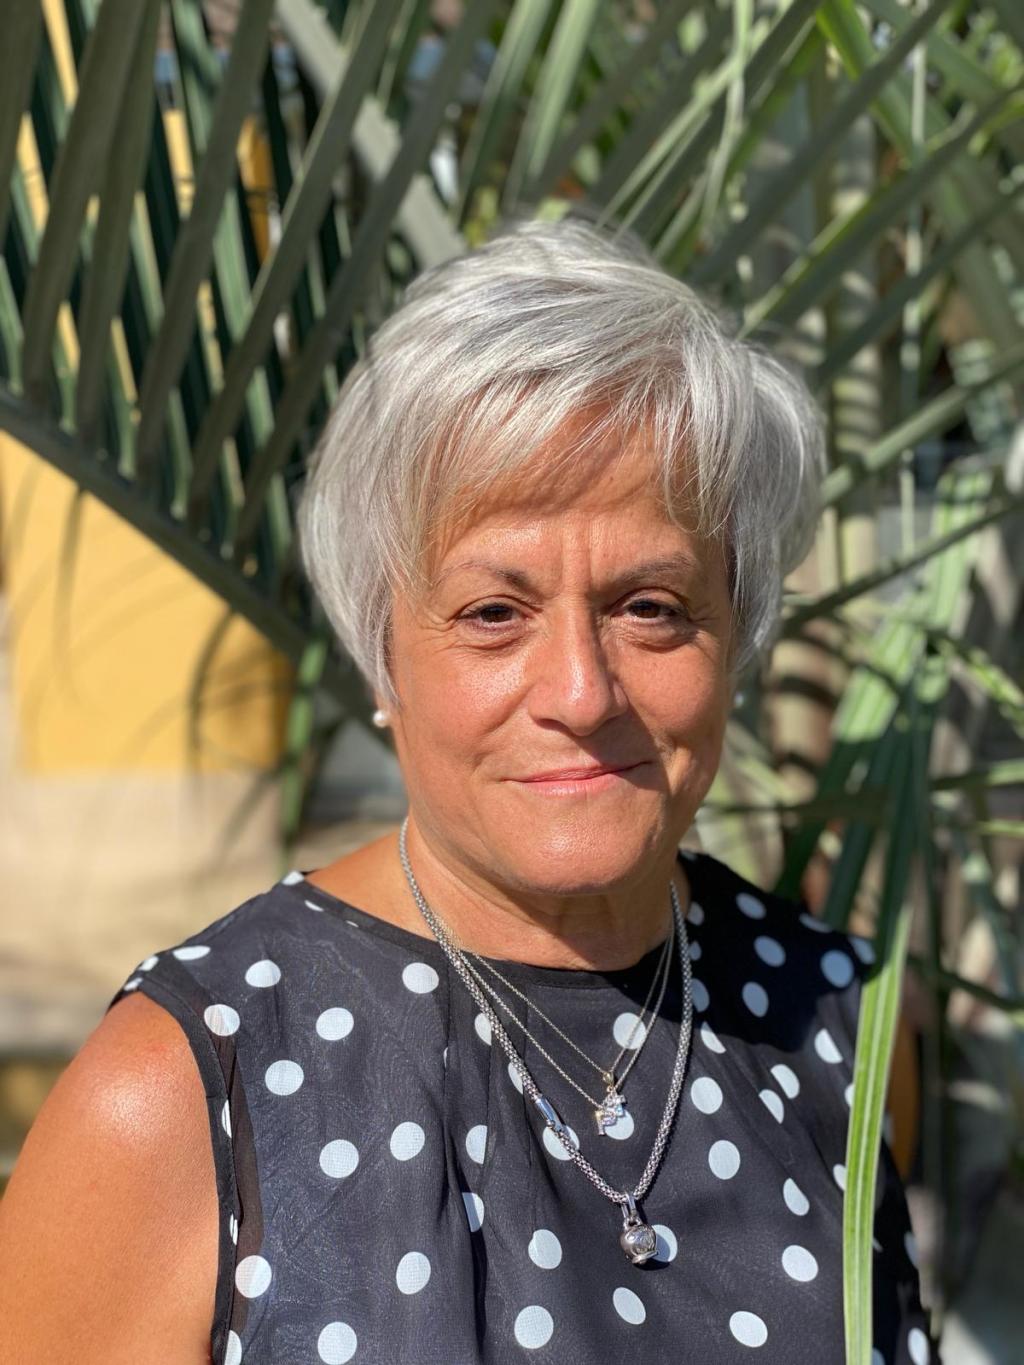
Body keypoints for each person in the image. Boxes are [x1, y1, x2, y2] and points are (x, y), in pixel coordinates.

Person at [0, 217, 938, 1364]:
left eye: (650, 607)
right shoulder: (184, 1095)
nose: (581, 692)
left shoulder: (836, 1025)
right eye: (494, 612)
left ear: (735, 632)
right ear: (380, 653)